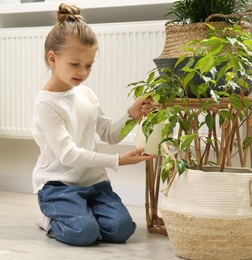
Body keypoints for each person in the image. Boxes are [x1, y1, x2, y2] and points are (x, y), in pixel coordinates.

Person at [31, 3, 156, 246]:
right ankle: (50, 219)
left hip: (94, 184)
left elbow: (109, 133)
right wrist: (117, 160)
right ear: (52, 58)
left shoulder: (86, 94)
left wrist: (131, 114)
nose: (83, 72)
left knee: (122, 229)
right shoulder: (46, 103)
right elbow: (67, 155)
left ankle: (83, 213)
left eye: (89, 65)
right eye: (75, 64)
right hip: (59, 187)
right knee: (84, 233)